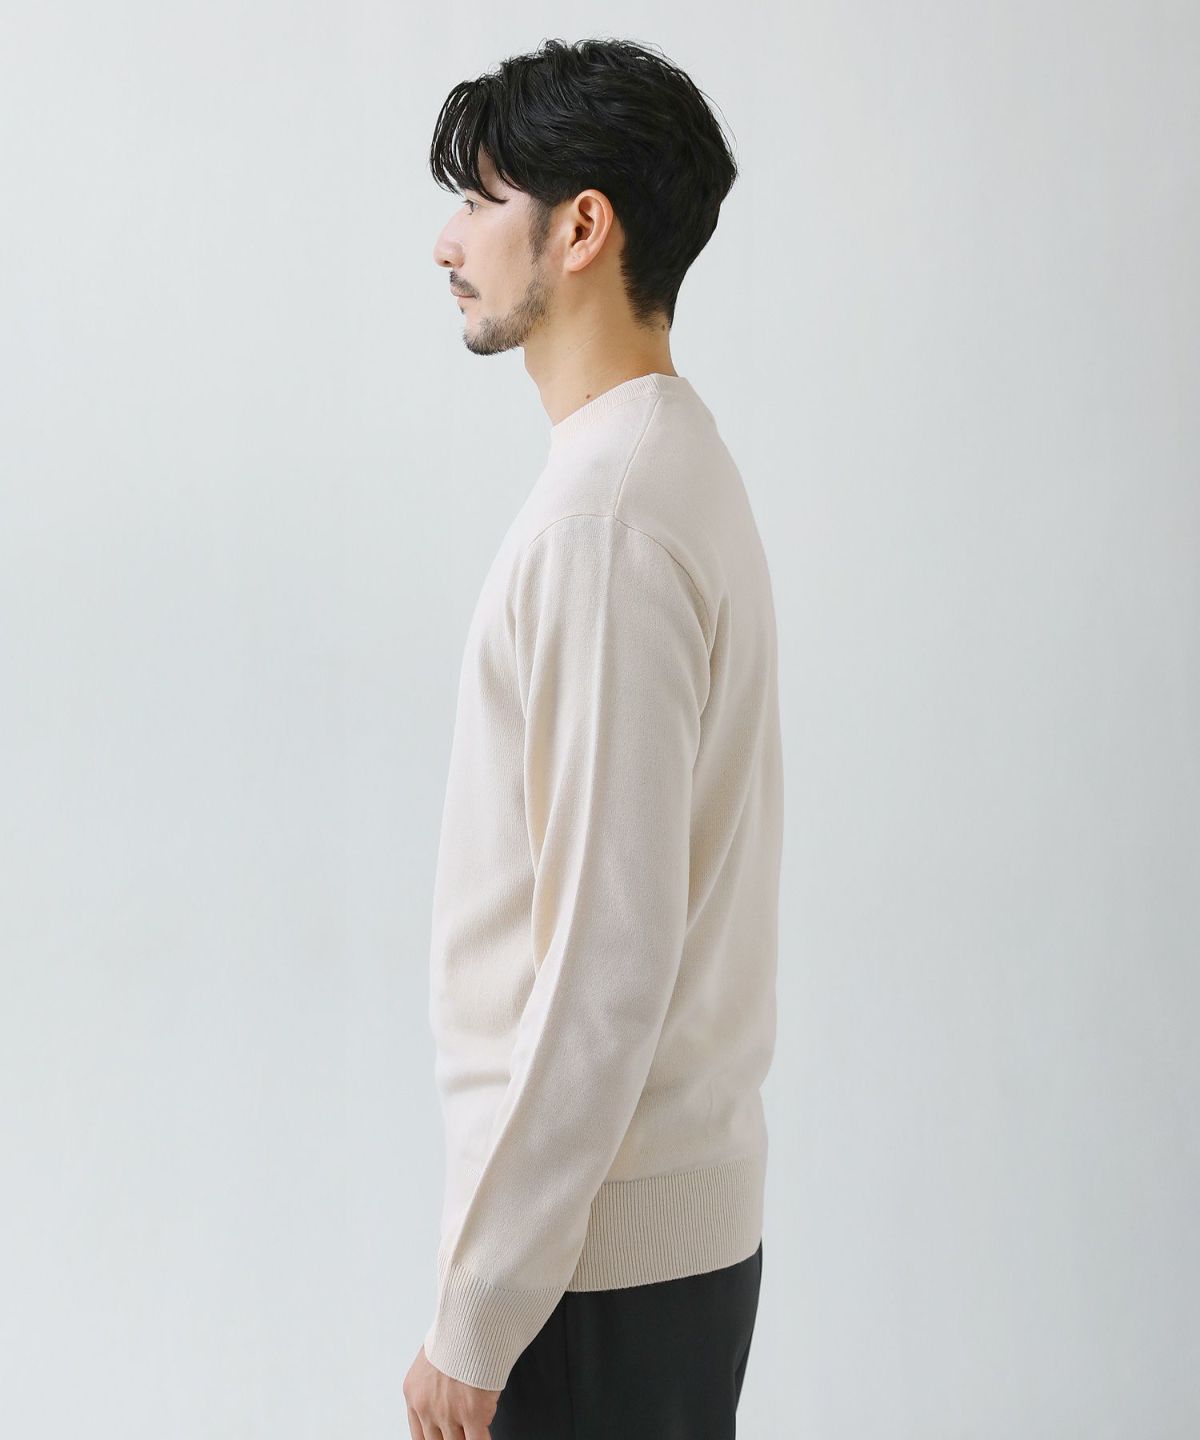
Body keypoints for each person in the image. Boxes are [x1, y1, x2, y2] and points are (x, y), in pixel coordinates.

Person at [404, 36, 782, 1440]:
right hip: (642, 1249)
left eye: (479, 199)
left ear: (581, 228)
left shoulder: (606, 522)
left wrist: (479, 1308)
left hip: (590, 1274)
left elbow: (606, 967)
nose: (447, 243)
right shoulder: (667, 465)